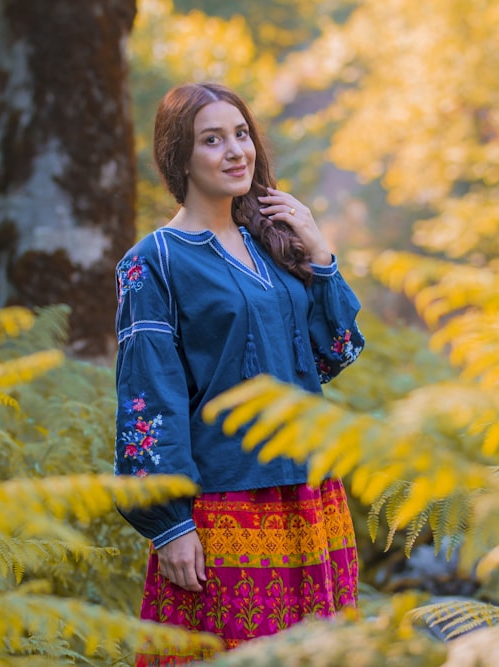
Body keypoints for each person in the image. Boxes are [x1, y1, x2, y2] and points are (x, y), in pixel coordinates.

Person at [113, 81, 365, 665]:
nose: (236, 152)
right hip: (227, 506)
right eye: (212, 140)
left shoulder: (272, 244)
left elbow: (336, 352)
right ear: (179, 156)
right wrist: (168, 523)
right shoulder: (154, 262)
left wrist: (321, 256)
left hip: (311, 495)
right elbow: (149, 398)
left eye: (242, 134)